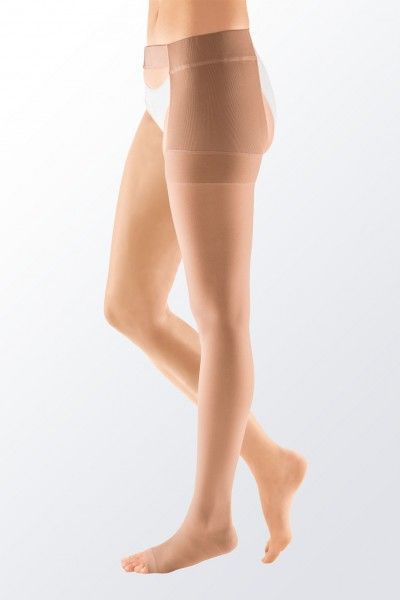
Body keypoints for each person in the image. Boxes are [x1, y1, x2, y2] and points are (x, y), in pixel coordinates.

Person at [104, 0, 307, 574]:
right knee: (130, 306)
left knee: (221, 317)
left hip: (211, 74)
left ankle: (211, 519)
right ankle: (271, 462)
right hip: (165, 80)